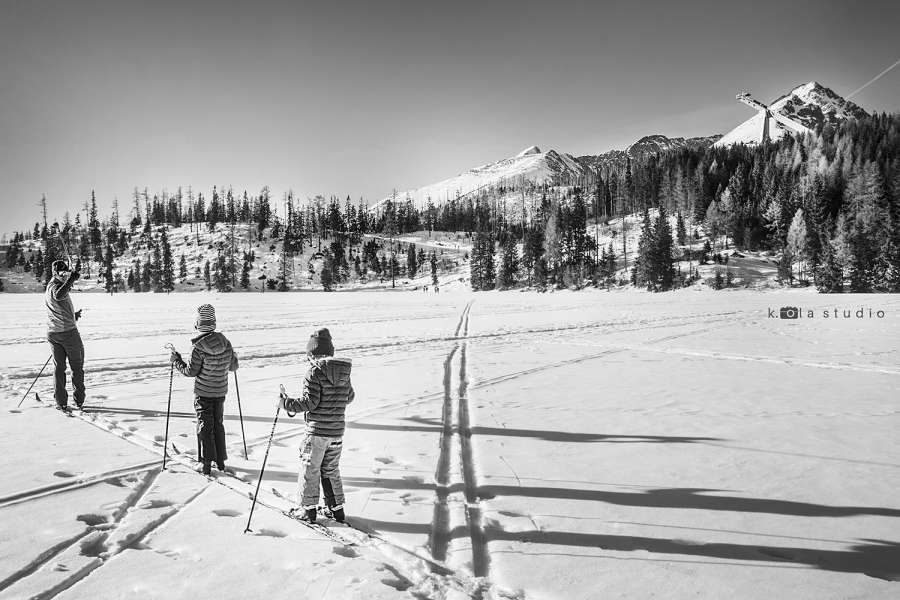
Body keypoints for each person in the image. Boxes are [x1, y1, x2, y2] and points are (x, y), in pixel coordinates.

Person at [279, 328, 353, 523]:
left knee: (310, 469)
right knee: (331, 470)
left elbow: (309, 403)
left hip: (317, 432)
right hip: (336, 433)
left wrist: (285, 403)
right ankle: (336, 510)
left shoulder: (313, 372)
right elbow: (350, 396)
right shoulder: (344, 372)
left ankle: (308, 510)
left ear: (312, 354)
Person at [170, 304, 238, 475]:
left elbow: (190, 372)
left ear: (198, 325)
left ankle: (206, 464)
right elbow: (233, 367)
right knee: (218, 425)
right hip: (220, 392)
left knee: (205, 427)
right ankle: (220, 462)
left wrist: (176, 361)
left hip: (203, 394)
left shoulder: (198, 347)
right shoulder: (226, 342)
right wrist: (233, 356)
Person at [45, 260, 85, 410]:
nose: (64, 275)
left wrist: (72, 315)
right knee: (77, 366)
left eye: (66, 272)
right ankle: (79, 400)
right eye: (62, 273)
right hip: (67, 333)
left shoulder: (50, 285)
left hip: (54, 333)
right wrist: (72, 279)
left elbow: (57, 307)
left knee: (59, 368)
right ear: (55, 273)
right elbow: (59, 295)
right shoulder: (56, 287)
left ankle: (61, 401)